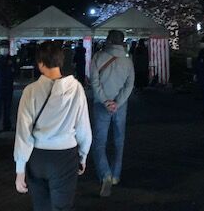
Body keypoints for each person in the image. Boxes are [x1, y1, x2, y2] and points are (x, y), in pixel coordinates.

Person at [14, 43, 92, 211]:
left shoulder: (30, 91)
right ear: (60, 61)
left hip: (38, 156)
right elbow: (83, 126)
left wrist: (20, 169)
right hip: (66, 156)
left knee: (41, 206)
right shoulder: (76, 89)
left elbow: (23, 132)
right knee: (62, 207)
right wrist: (83, 156)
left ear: (40, 63)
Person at [90, 30, 135, 197]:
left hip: (101, 104)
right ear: (122, 41)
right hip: (120, 106)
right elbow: (129, 85)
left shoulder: (98, 57)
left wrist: (105, 101)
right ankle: (116, 174)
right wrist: (118, 102)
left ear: (108, 40)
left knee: (99, 142)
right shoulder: (128, 60)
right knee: (119, 140)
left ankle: (105, 173)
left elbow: (94, 81)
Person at [0, 43, 17, 133]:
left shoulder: (12, 59)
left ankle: (7, 125)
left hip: (8, 85)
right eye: (3, 47)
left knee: (7, 106)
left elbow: (15, 70)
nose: (4, 49)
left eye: (5, 47)